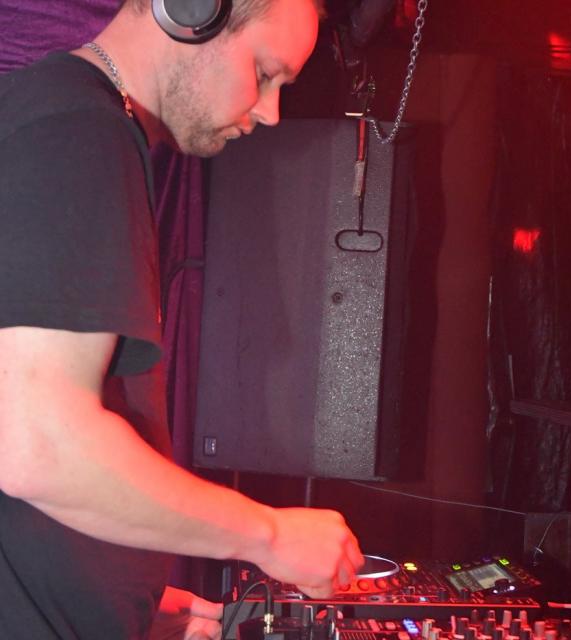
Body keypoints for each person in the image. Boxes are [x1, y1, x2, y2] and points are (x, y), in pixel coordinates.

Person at [0, 0, 364, 638]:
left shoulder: (62, 118)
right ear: (191, 12)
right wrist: (270, 534)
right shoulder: (78, 130)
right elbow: (37, 444)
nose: (270, 111)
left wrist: (131, 603)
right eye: (264, 72)